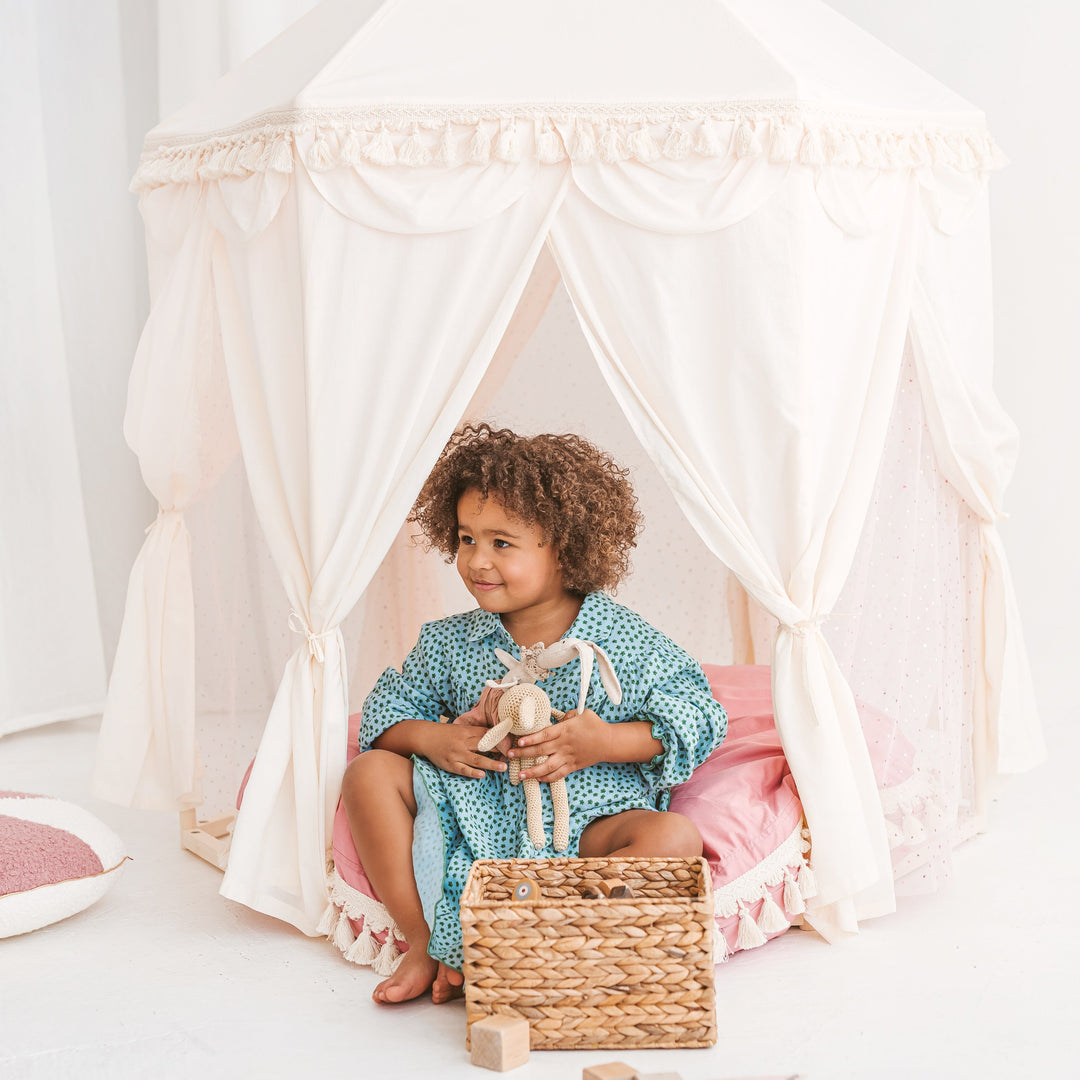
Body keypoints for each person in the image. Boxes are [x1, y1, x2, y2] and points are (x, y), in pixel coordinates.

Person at [341, 424, 727, 1005]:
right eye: (466, 538)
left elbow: (699, 712)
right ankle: (421, 943)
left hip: (586, 823)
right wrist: (437, 738)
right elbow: (387, 709)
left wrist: (606, 742)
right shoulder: (452, 641)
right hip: (475, 817)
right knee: (367, 773)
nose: (476, 560)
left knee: (674, 836)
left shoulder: (621, 637)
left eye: (501, 543)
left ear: (565, 548)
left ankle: (552, 940)